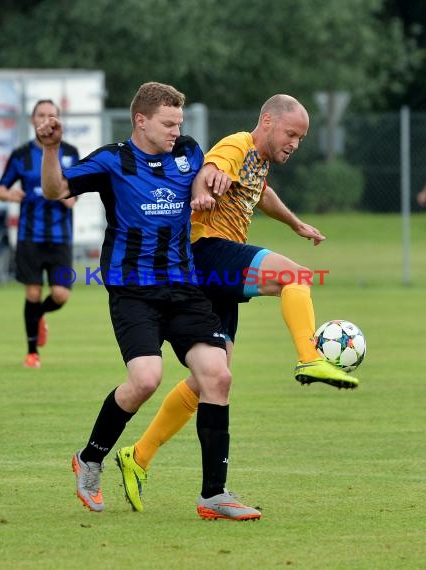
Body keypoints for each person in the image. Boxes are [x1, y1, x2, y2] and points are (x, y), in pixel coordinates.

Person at [116, 94, 360, 513]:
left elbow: (260, 194)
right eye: (291, 134)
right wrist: (207, 186)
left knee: (213, 380)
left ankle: (138, 457)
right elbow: (212, 166)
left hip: (210, 270)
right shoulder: (238, 145)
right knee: (295, 276)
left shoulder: (258, 162)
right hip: (205, 249)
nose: (295, 144)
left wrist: (296, 223)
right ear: (267, 121)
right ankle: (309, 357)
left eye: (301, 138)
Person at [37, 81, 261, 521]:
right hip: (133, 292)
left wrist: (202, 187)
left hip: (184, 288)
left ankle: (214, 495)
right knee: (145, 379)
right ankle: (90, 458)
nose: (177, 130)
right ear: (141, 120)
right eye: (168, 123)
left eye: (179, 123)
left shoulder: (190, 151)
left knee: (217, 375)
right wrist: (51, 149)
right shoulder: (111, 160)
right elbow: (54, 189)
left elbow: (201, 171)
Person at [0, 100, 79, 368]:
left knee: (60, 295)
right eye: (41, 114)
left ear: (58, 120)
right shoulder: (21, 155)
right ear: (32, 120)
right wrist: (10, 195)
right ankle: (32, 353)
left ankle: (39, 315)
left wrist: (71, 197)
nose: (46, 118)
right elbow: (0, 188)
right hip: (29, 235)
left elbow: (77, 187)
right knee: (32, 292)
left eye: (51, 115)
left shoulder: (70, 152)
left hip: (60, 236)